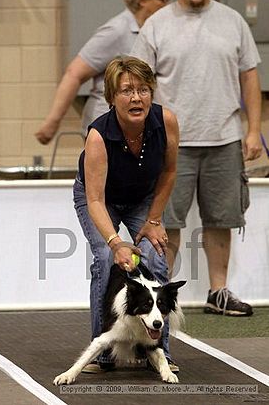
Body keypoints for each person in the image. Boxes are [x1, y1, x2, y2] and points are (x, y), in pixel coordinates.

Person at [131, 0, 263, 316]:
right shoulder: (157, 25)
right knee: (166, 221)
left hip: (223, 137)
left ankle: (218, 291)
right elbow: (139, 82)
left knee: (221, 219)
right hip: (173, 142)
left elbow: (250, 76)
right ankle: (158, 293)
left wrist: (253, 130)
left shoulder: (232, 21)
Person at [73, 56, 179, 373]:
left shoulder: (167, 122)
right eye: (126, 91)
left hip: (142, 198)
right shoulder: (98, 136)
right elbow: (94, 199)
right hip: (100, 198)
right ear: (112, 97)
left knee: (157, 257)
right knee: (106, 260)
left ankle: (158, 351)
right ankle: (103, 352)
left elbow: (170, 172)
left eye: (144, 90)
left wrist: (154, 220)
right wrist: (116, 243)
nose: (136, 98)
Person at [35, 0, 172, 143]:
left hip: (135, 126)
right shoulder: (116, 31)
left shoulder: (155, 31)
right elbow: (74, 73)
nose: (167, 6)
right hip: (106, 128)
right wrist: (52, 122)